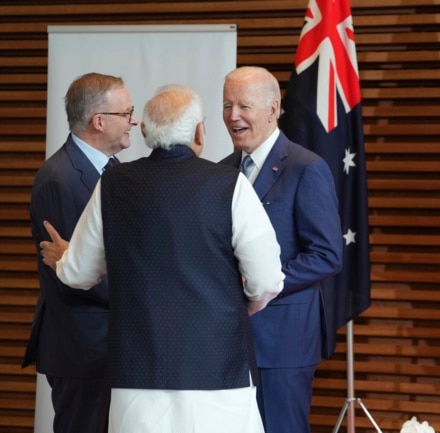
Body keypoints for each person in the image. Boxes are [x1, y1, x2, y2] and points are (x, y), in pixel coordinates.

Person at [39, 84, 284, 433]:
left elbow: (78, 273)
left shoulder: (112, 184)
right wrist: (249, 303)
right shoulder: (231, 184)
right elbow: (268, 278)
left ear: (144, 131)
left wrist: (64, 261)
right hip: (219, 365)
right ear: (200, 130)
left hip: (137, 371)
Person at [219, 66, 343, 433]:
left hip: (282, 341)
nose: (232, 115)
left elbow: (326, 255)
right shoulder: (222, 172)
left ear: (272, 110)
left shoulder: (306, 168)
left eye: (243, 105)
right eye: (226, 105)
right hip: (225, 339)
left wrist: (261, 282)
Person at [23, 72, 137, 433]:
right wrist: (146, 292)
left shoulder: (111, 171)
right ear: (99, 121)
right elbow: (74, 275)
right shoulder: (62, 179)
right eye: (127, 112)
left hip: (108, 345)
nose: (134, 120)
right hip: (83, 348)